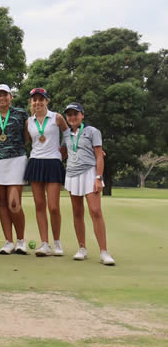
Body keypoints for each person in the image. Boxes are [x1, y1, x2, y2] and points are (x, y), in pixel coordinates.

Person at [62, 103, 115, 265]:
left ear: (82, 115)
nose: (72, 117)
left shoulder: (93, 131)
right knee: (77, 211)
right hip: (72, 174)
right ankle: (82, 248)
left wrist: (99, 177)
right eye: (69, 114)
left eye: (75, 114)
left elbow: (99, 156)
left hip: (90, 173)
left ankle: (104, 252)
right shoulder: (65, 134)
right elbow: (63, 153)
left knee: (95, 211)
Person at [24, 88, 68, 257]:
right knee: (40, 205)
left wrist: (64, 150)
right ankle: (44, 244)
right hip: (35, 162)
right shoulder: (29, 122)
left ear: (47, 101)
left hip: (53, 162)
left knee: (54, 206)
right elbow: (27, 141)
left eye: (41, 99)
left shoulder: (57, 117)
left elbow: (68, 135)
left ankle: (57, 242)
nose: (38, 102)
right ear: (31, 102)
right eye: (34, 100)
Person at [0, 84, 28, 255]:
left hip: (16, 160)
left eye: (5, 95)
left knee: (14, 203)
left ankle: (21, 241)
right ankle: (9, 241)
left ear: (11, 96)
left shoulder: (21, 114)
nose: (2, 98)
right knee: (2, 203)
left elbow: (27, 137)